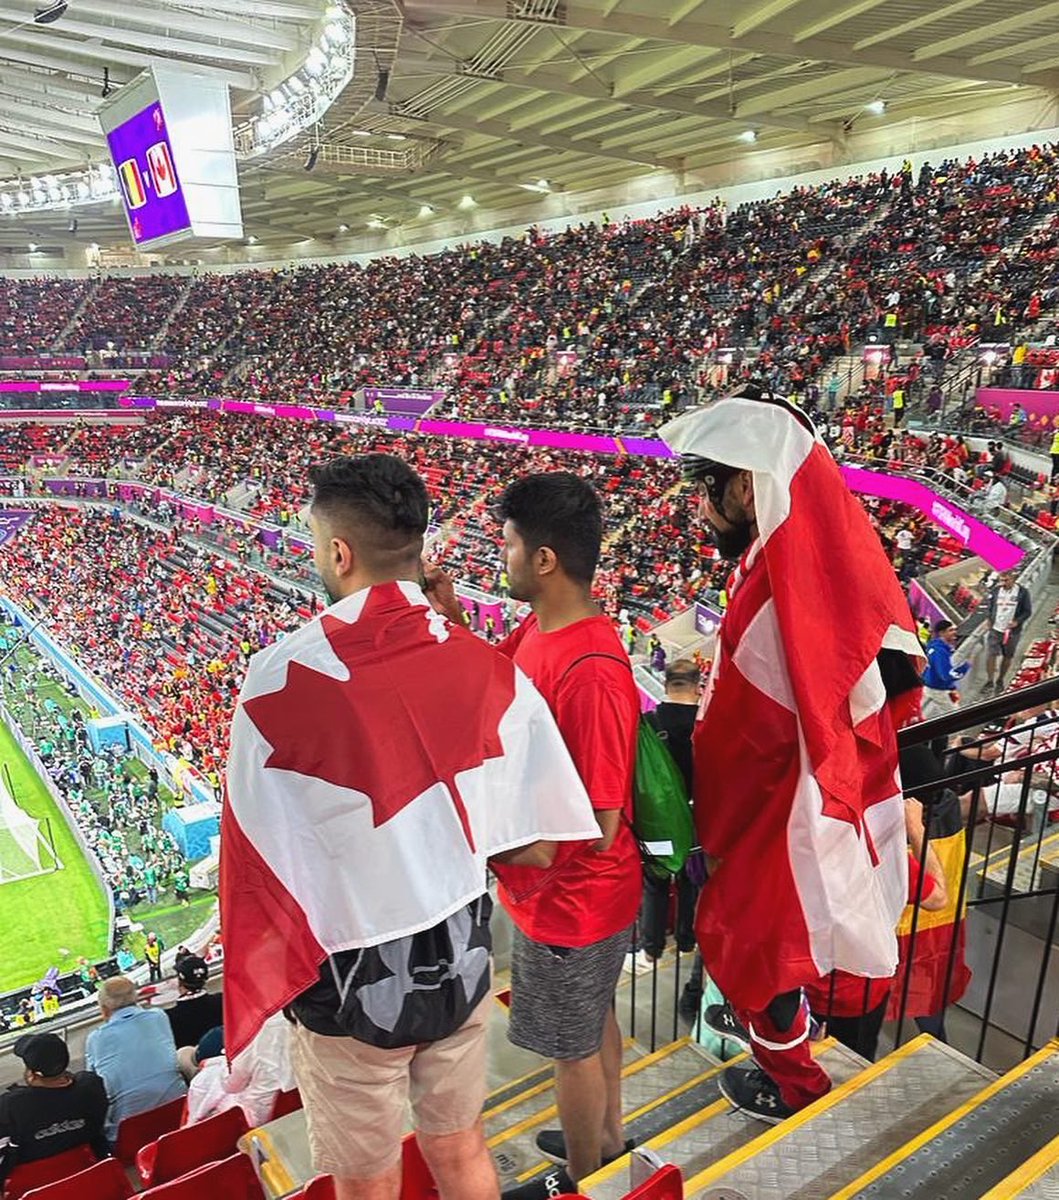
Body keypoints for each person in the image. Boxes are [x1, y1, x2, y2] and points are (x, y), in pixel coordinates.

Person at [222, 454, 599, 1200]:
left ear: (338, 551)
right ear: (418, 548)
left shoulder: (273, 679)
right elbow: (542, 841)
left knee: (365, 1182)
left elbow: (260, 870)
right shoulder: (489, 668)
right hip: (459, 957)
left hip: (347, 982)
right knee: (460, 1151)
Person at [662, 388, 922, 1122]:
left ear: (747, 485)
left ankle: (794, 1084)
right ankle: (790, 1053)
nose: (700, 508)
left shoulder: (786, 585)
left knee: (754, 945)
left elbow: (758, 725)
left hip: (778, 813)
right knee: (770, 943)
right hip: (779, 805)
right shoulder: (803, 559)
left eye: (707, 489)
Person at [426, 472, 642, 1199]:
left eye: (511, 545)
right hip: (566, 897)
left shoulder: (592, 671)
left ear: (544, 559)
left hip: (573, 902)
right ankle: (607, 1139)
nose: (504, 558)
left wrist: (487, 845)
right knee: (593, 1021)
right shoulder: (544, 632)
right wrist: (450, 615)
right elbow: (497, 677)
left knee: (570, 1049)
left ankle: (588, 1176)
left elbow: (600, 820)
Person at [84, 977, 186, 1145]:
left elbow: (94, 1086)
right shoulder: (158, 1017)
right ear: (136, 998)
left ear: (104, 1009)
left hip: (129, 1134)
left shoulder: (96, 1039)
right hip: (179, 1112)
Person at [0, 1033, 109, 1185]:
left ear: (32, 1074)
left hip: (34, 1187)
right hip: (90, 1177)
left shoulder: (11, 1106)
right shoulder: (91, 1086)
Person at [165, 955, 223, 1081]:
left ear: (180, 981)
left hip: (199, 1076)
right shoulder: (222, 1000)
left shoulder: (170, 1017)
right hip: (227, 1063)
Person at [983, 568, 1031, 694]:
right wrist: (989, 618)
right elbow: (990, 606)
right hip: (995, 629)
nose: (1003, 583)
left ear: (1013, 578)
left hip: (1012, 632)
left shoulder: (1022, 592)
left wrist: (1017, 621)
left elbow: (1027, 611)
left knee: (1007, 656)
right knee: (991, 655)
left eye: (1006, 580)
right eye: (1001, 580)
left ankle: (1000, 680)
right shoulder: (996, 590)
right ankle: (989, 680)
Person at [921, 620, 971, 720]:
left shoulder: (936, 647)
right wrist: (964, 668)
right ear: (942, 633)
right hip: (939, 689)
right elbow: (945, 675)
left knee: (920, 712)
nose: (955, 632)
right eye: (951, 630)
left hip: (929, 685)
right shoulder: (941, 651)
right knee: (955, 716)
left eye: (955, 629)